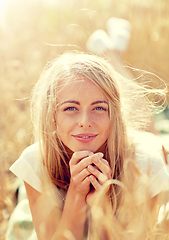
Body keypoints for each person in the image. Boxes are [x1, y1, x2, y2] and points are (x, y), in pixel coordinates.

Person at [9, 51, 169, 240]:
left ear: (113, 115)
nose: (85, 121)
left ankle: (112, 54)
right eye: (70, 108)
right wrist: (76, 195)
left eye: (99, 108)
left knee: (156, 134)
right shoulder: (35, 162)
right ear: (52, 115)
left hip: (140, 145)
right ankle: (111, 51)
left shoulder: (147, 165)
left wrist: (102, 208)